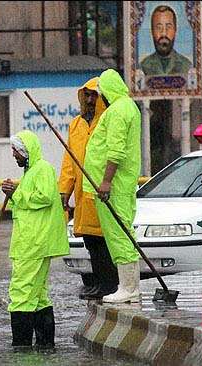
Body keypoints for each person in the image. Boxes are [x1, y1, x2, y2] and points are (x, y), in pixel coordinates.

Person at [1, 130, 69, 350]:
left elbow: (46, 197)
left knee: (20, 291)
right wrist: (17, 190)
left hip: (33, 243)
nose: (13, 155)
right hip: (32, 240)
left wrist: (15, 194)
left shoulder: (42, 169)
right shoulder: (32, 172)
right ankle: (45, 345)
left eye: (15, 151)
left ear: (26, 151)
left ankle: (20, 346)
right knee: (38, 295)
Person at [82, 69, 142, 303]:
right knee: (123, 233)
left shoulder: (117, 110)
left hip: (113, 186)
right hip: (119, 183)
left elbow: (116, 150)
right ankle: (130, 286)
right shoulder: (128, 107)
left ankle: (128, 288)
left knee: (119, 235)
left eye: (100, 93)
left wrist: (106, 181)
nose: (99, 98)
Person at [58, 77, 118, 300]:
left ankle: (110, 284)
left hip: (101, 191)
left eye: (94, 95)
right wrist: (65, 190)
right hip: (83, 194)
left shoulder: (108, 121)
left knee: (104, 241)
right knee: (90, 241)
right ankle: (99, 282)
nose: (91, 99)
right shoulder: (76, 124)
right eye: (87, 95)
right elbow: (69, 161)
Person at [140, 5, 192, 76]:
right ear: (152, 31)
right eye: (159, 27)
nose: (164, 33)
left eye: (168, 27)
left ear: (175, 30)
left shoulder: (187, 66)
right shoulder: (143, 67)